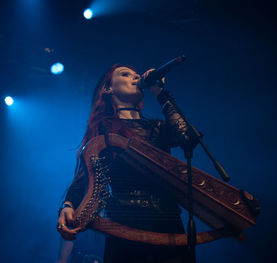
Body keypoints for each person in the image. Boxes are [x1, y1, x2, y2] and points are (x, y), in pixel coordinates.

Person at [57, 64, 192, 263]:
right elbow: (87, 172)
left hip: (168, 222)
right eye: (125, 74)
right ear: (108, 89)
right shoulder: (104, 127)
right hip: (126, 223)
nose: (135, 77)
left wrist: (161, 93)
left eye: (137, 75)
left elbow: (188, 138)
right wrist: (67, 205)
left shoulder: (158, 127)